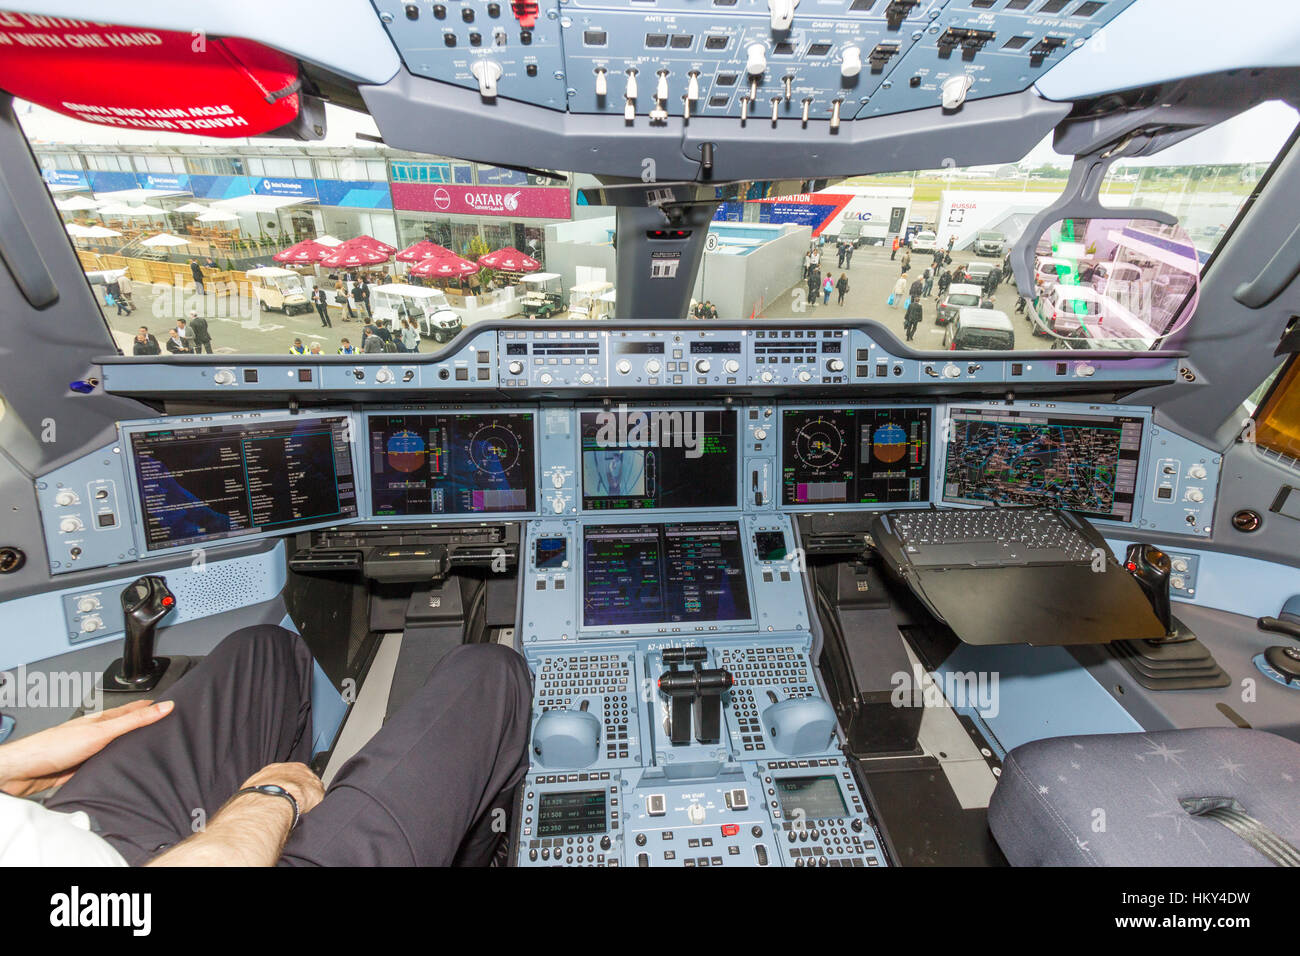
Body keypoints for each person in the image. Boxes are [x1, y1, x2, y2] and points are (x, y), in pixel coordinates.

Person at [0, 626, 530, 866]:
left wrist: (12, 766)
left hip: (72, 836)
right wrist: (272, 797)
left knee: (262, 651)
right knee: (486, 673)